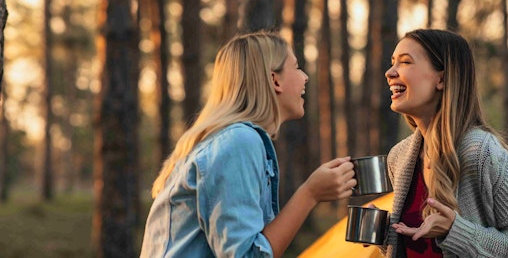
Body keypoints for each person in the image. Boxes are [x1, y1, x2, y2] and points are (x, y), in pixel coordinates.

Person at [140, 31, 357, 257]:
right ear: (275, 80)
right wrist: (310, 194)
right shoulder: (239, 142)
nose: (305, 77)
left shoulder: (227, 140)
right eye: (297, 67)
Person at [380, 29, 508, 257]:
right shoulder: (398, 157)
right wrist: (385, 234)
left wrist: (455, 231)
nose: (390, 73)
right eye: (392, 63)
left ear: (442, 78)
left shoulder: (482, 154)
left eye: (405, 62)